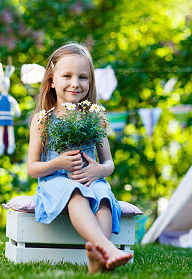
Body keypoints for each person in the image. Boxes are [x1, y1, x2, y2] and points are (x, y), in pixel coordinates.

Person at [26, 42, 132, 274]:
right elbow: (32, 168)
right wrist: (57, 163)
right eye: (67, 76)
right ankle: (107, 249)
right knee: (75, 192)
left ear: (90, 82)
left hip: (90, 180)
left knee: (103, 196)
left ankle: (97, 256)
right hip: (56, 183)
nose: (75, 83)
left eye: (83, 77)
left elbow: (109, 163)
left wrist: (98, 171)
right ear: (52, 81)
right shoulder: (43, 120)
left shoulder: (97, 117)